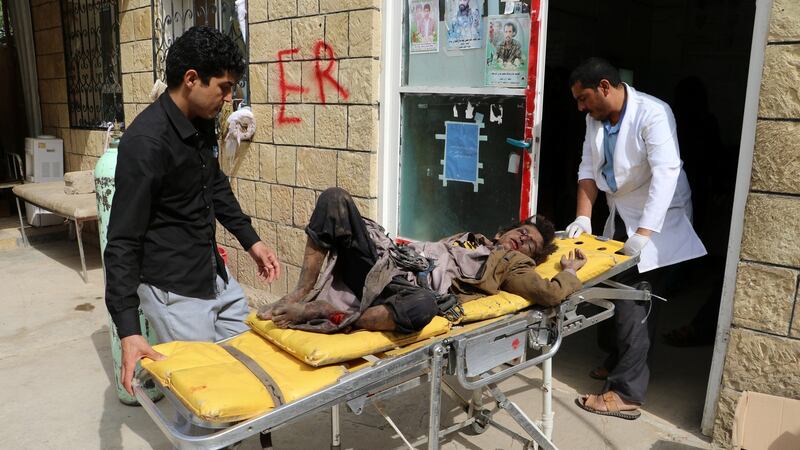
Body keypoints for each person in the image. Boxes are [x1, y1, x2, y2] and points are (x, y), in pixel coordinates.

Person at [104, 26, 281, 396]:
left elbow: (214, 185)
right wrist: (128, 330)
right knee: (202, 395)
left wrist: (252, 241)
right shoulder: (146, 144)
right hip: (175, 293)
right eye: (224, 87)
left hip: (214, 275)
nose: (230, 98)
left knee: (247, 374)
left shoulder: (199, 123)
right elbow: (122, 240)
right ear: (191, 79)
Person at [565, 58, 706, 419]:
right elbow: (586, 167)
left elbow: (666, 172)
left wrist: (644, 234)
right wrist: (584, 215)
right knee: (609, 287)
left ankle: (626, 393)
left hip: (657, 217)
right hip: (622, 212)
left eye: (583, 98)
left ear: (605, 88)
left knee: (632, 299)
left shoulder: (653, 113)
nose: (580, 107)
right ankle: (618, 359)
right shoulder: (594, 119)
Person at [257, 187, 587, 333]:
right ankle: (300, 292)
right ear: (507, 230)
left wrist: (569, 272)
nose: (523, 239)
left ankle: (335, 316)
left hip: (406, 289)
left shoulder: (511, 263)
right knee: (335, 199)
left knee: (424, 308)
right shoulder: (468, 238)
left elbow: (548, 294)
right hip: (385, 263)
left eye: (530, 245)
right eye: (523, 232)